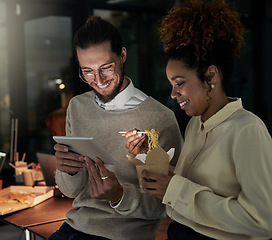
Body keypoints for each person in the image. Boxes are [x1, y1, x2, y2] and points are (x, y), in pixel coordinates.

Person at [125, 1, 272, 239]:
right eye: (172, 84)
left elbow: (263, 221)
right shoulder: (196, 124)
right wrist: (148, 154)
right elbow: (189, 185)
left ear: (211, 75)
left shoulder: (247, 129)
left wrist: (174, 189)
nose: (173, 94)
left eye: (180, 83)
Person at [48, 16, 182, 240]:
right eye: (87, 71)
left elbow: (165, 205)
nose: (98, 80)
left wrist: (119, 196)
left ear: (122, 55)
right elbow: (71, 191)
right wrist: (67, 170)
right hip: (73, 228)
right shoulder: (77, 106)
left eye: (106, 68)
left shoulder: (159, 117)